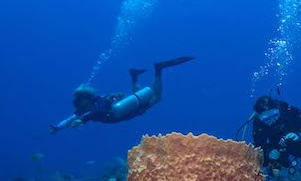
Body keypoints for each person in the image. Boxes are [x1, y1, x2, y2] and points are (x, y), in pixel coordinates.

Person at [49, 56, 194, 134]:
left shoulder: (96, 103)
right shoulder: (85, 109)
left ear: (86, 98)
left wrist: (84, 120)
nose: (77, 104)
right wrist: (58, 127)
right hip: (124, 109)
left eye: (79, 101)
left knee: (156, 97)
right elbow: (72, 117)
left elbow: (98, 112)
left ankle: (158, 70)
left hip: (122, 111)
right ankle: (134, 75)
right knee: (138, 94)